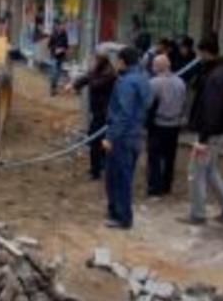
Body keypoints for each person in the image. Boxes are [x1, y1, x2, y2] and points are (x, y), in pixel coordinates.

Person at [184, 34, 223, 224]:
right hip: (221, 130)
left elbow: (212, 108)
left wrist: (203, 139)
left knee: (196, 172)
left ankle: (198, 214)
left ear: (205, 52)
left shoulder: (215, 76)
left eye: (199, 53)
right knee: (210, 169)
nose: (198, 56)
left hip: (211, 132)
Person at [104, 47, 151, 229]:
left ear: (122, 61)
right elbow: (148, 103)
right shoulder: (143, 79)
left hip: (122, 137)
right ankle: (116, 211)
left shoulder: (125, 83)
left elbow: (123, 113)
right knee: (125, 175)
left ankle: (122, 217)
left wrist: (110, 136)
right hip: (137, 134)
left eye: (117, 60)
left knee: (117, 177)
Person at [67, 50, 117, 180]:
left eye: (95, 59)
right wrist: (74, 84)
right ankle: (101, 164)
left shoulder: (109, 74)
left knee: (95, 140)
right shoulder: (99, 70)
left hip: (104, 112)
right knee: (98, 139)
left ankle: (96, 170)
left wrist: (89, 75)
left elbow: (94, 83)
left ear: (101, 60)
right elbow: (86, 78)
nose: (93, 62)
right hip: (98, 111)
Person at [146, 54, 186, 196]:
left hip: (159, 123)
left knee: (155, 157)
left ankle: (154, 187)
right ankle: (167, 185)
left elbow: (148, 104)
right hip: (175, 124)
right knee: (170, 156)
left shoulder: (154, 83)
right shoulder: (181, 82)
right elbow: (183, 103)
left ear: (157, 67)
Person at [48, 21, 69, 96]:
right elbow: (49, 46)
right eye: (63, 25)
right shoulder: (53, 34)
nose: (64, 27)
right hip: (54, 56)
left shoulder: (65, 34)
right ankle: (52, 89)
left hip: (61, 57)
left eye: (65, 25)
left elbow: (66, 45)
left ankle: (54, 88)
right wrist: (55, 49)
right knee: (54, 73)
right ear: (59, 26)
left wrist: (64, 50)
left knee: (58, 73)